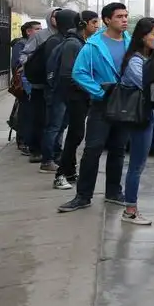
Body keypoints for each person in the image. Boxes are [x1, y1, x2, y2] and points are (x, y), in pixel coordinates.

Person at [57, 3, 131, 213]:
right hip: (102, 106)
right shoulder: (93, 45)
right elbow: (79, 73)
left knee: (118, 150)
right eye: (119, 16)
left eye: (126, 16)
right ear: (107, 20)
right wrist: (100, 93)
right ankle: (83, 196)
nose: (124, 20)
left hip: (126, 104)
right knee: (92, 150)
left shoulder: (131, 42)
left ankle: (114, 192)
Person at [119, 17, 154, 224]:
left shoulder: (151, 59)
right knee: (137, 165)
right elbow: (149, 86)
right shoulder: (135, 60)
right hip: (141, 118)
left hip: (153, 117)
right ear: (143, 36)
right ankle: (130, 210)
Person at [52, 12, 97, 190]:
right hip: (74, 96)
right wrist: (86, 88)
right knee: (75, 135)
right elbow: (68, 74)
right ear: (83, 23)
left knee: (75, 135)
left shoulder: (80, 42)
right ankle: (60, 174)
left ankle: (69, 171)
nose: (96, 26)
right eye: (94, 22)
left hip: (79, 96)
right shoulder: (73, 44)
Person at [39, 9, 80, 172]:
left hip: (61, 91)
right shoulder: (57, 41)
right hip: (57, 91)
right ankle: (47, 160)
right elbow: (53, 68)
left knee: (60, 126)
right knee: (54, 126)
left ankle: (56, 155)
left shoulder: (63, 39)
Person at [19, 7, 61, 162]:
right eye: (55, 16)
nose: (57, 19)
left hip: (57, 86)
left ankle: (53, 150)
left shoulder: (66, 36)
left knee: (56, 121)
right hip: (39, 85)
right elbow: (24, 55)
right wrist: (34, 65)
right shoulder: (40, 36)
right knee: (39, 119)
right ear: (49, 17)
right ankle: (36, 150)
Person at [12, 20, 41, 154]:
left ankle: (30, 139)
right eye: (38, 29)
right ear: (29, 31)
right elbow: (17, 64)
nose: (41, 31)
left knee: (33, 114)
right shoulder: (21, 44)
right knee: (25, 113)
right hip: (24, 85)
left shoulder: (38, 43)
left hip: (34, 84)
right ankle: (22, 140)